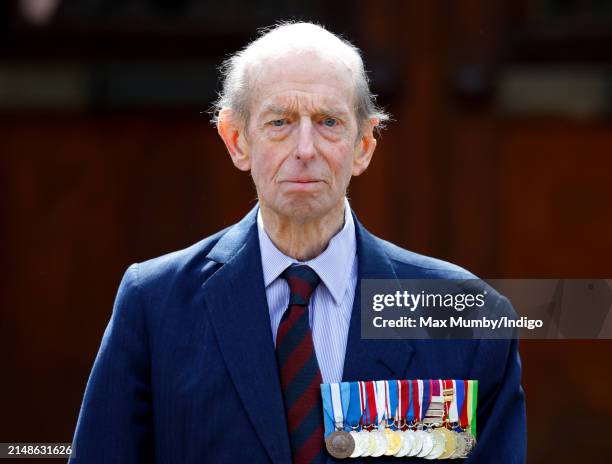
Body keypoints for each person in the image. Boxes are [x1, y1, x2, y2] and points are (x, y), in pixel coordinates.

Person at [70, 22, 526, 463]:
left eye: (328, 122)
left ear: (364, 145)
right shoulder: (156, 306)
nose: (305, 148)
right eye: (279, 122)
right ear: (236, 140)